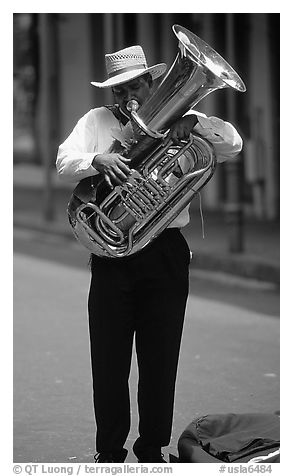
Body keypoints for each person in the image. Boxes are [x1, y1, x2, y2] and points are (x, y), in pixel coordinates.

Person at [56, 45, 243, 463]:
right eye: (119, 90)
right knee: (108, 360)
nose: (127, 97)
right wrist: (97, 158)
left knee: (161, 359)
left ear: (151, 82)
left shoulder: (183, 119)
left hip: (165, 254)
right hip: (112, 253)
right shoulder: (97, 120)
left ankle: (152, 448)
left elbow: (232, 145)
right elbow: (64, 161)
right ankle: (109, 452)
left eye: (135, 85)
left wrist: (193, 121)